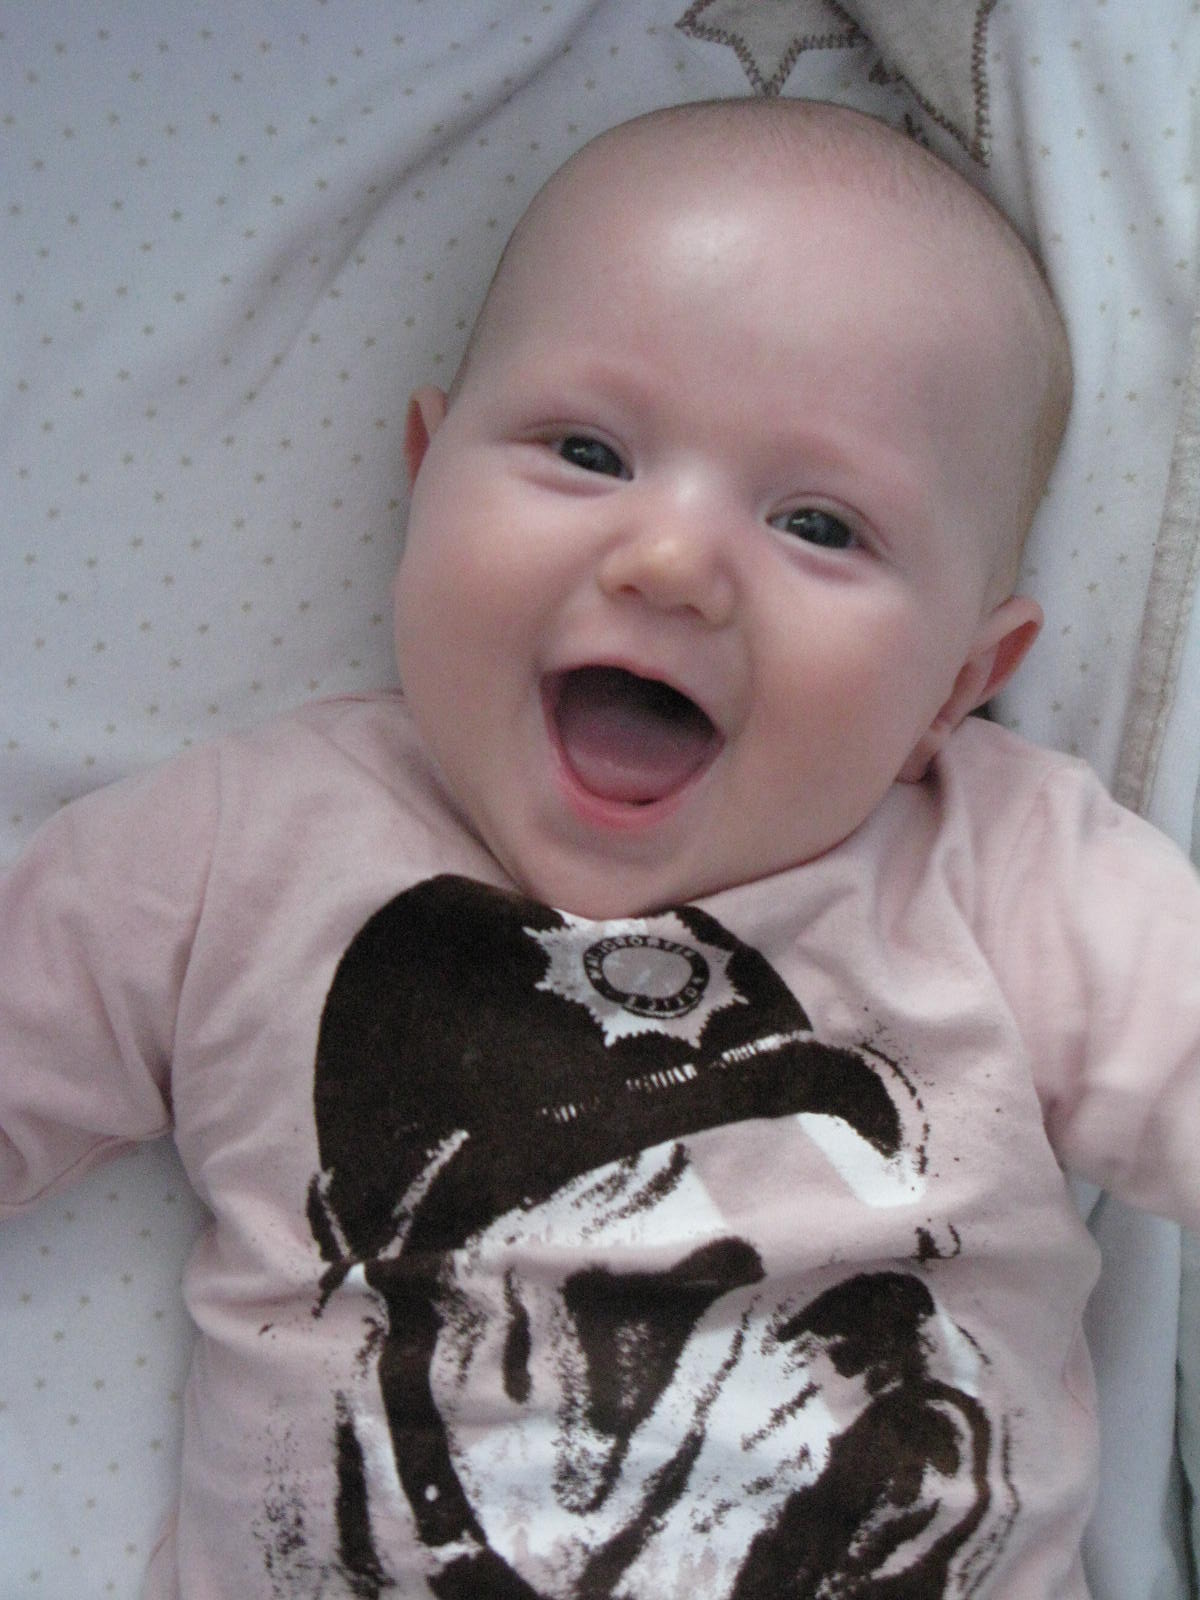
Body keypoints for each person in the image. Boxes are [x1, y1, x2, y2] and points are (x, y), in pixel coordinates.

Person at [1, 96, 1196, 1600]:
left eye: (821, 527)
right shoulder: (237, 852)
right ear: (425, 478)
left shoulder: (1015, 876)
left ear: (956, 684)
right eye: (587, 451)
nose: (674, 562)